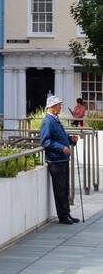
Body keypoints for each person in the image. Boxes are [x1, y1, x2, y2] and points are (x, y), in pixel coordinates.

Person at [40, 94, 79, 225]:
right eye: (58, 106)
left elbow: (59, 136)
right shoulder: (47, 121)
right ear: (51, 107)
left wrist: (70, 140)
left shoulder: (55, 120)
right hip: (55, 160)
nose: (60, 107)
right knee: (60, 188)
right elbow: (45, 141)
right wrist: (61, 148)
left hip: (62, 159)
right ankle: (62, 216)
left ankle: (66, 213)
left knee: (65, 187)